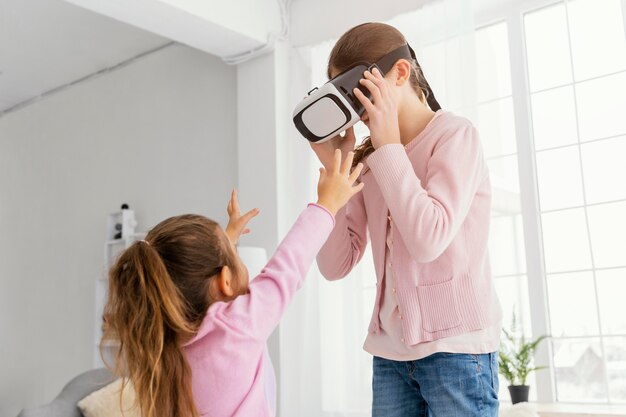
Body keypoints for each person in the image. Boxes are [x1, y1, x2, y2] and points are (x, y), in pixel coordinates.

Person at [312, 22, 502, 416]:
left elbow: (428, 239)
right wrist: (338, 168)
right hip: (390, 355)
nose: (358, 111)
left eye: (362, 92)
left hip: (456, 351)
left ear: (400, 72)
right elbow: (334, 265)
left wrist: (387, 146)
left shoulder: (455, 136)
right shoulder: (371, 160)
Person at [101, 150, 364, 417]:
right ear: (225, 281)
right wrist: (327, 205)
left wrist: (227, 240)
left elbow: (201, 275)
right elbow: (287, 267)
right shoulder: (237, 326)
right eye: (233, 254)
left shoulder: (160, 348)